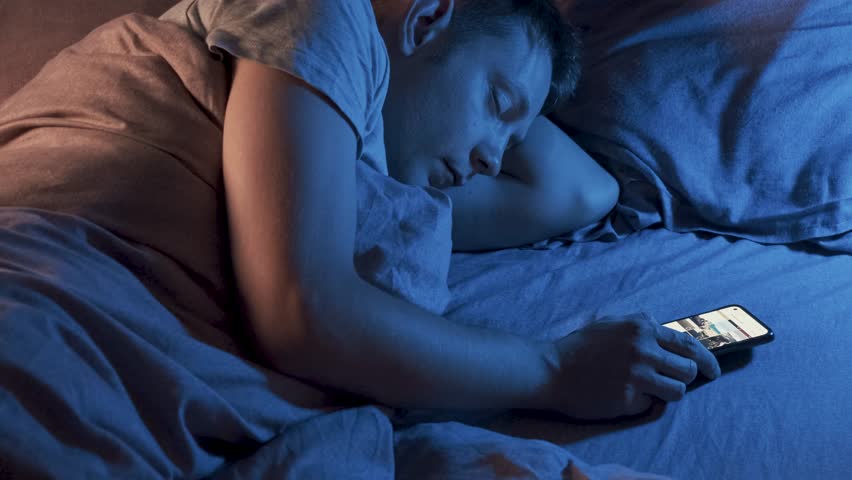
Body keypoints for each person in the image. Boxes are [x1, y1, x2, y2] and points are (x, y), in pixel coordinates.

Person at [0, 0, 721, 423]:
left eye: (514, 137)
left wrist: (513, 98)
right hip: (47, 294)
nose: (494, 162)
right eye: (498, 107)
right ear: (428, 15)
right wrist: (553, 371)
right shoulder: (323, 15)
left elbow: (582, 193)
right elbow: (301, 311)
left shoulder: (378, 186)